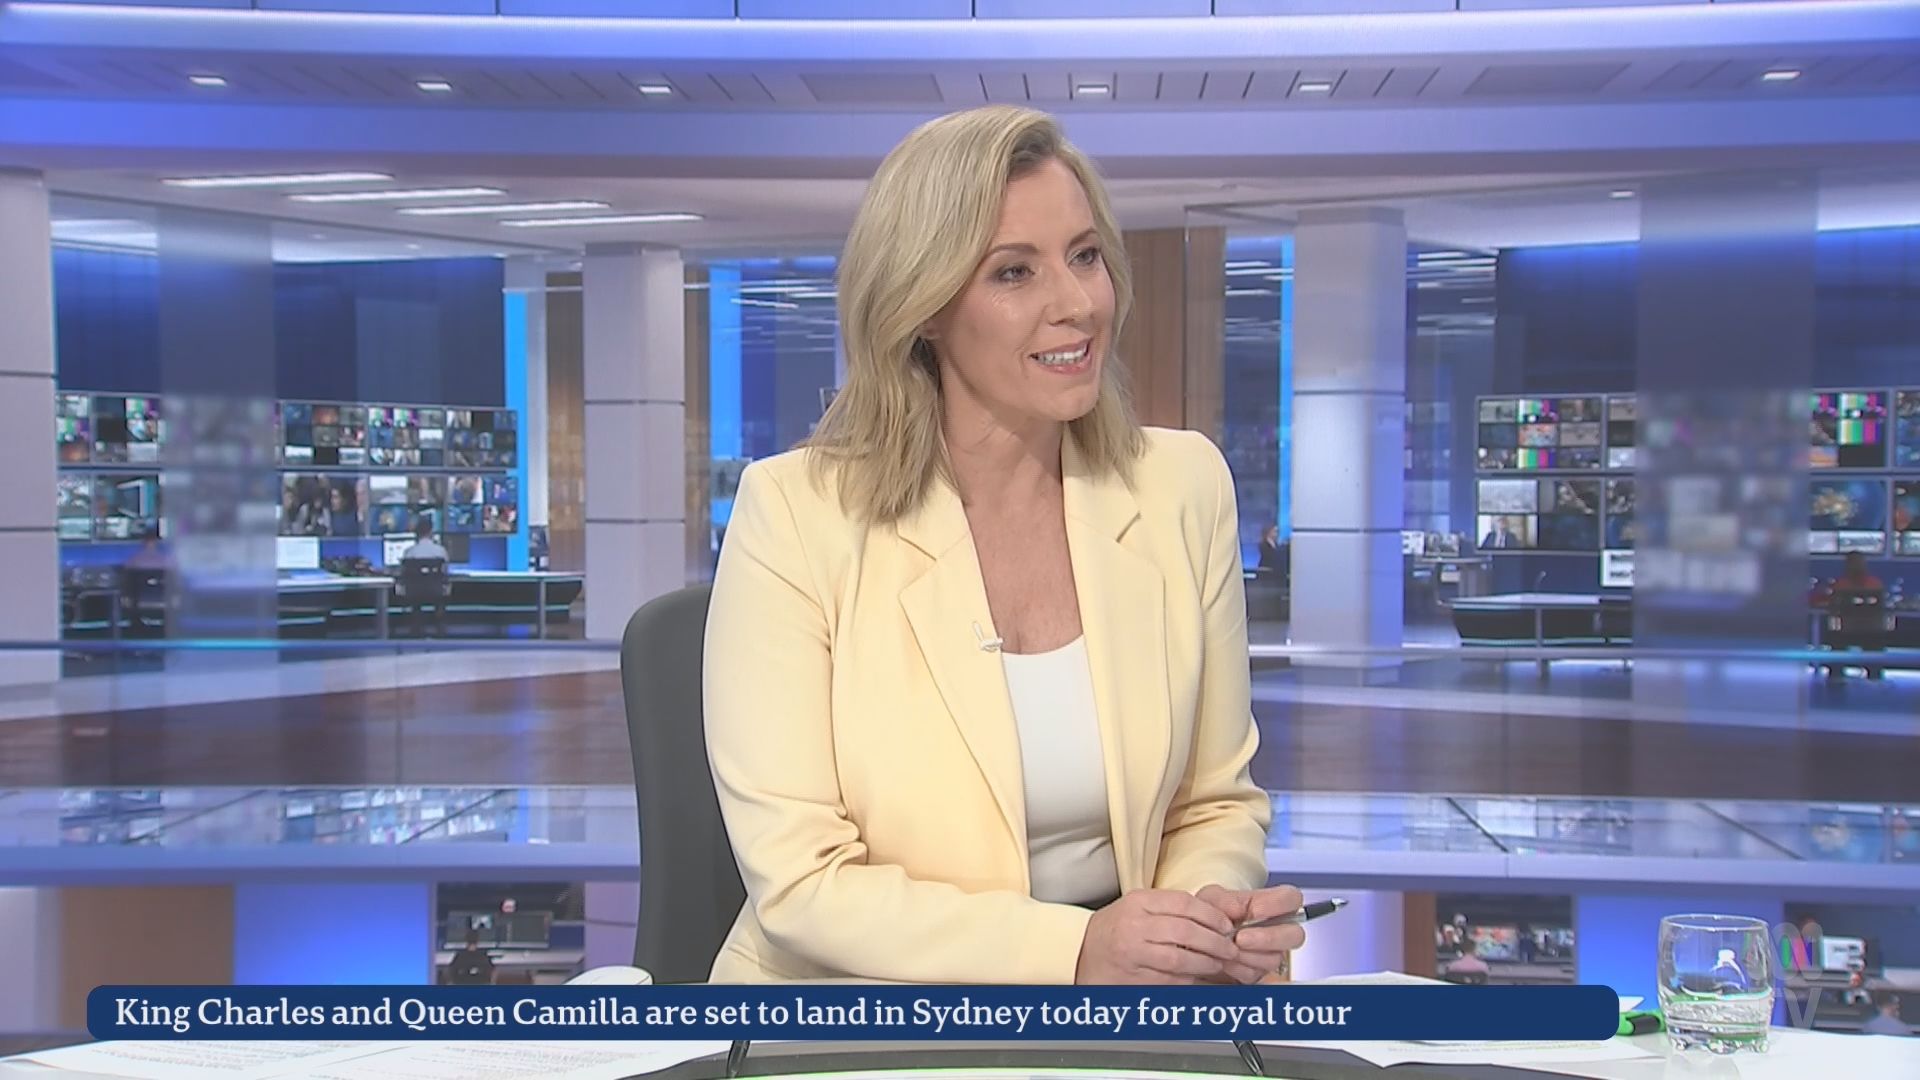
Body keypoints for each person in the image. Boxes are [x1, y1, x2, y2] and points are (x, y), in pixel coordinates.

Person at [703, 105, 1297, 985]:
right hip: (863, 1007)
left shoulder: (1182, 486)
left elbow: (1214, 803)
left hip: (1127, 1006)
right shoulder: (795, 514)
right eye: (1015, 272)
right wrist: (1075, 954)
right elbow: (802, 882)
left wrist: (1191, 928)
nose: (1078, 304)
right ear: (924, 307)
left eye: (1085, 256)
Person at [398, 519, 450, 637]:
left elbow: (403, 574)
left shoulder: (409, 552)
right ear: (431, 532)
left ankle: (416, 627)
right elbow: (445, 573)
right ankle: (440, 627)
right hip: (436, 592)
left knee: (415, 597)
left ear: (416, 533)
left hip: (414, 593)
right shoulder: (440, 551)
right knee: (441, 595)